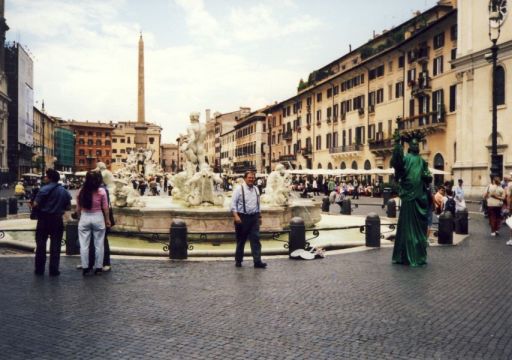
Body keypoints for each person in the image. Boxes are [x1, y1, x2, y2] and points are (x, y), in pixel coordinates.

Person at [391, 130, 432, 267]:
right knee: (408, 227)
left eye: (417, 144)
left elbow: (427, 174)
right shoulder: (406, 158)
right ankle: (407, 255)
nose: (416, 146)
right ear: (409, 145)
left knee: (419, 227)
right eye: (414, 144)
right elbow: (397, 163)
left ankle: (418, 254)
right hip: (409, 197)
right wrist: (397, 144)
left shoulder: (422, 161)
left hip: (419, 198)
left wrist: (427, 176)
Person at [32, 169, 72, 276]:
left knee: (40, 245)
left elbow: (35, 204)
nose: (45, 178)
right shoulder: (64, 191)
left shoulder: (43, 189)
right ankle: (54, 270)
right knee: (56, 245)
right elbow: (68, 206)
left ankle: (39, 269)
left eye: (46, 176)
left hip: (43, 219)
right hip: (57, 220)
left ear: (49, 178)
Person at [77, 171, 111, 275]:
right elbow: (105, 208)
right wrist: (107, 220)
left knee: (84, 245)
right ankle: (98, 268)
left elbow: (78, 208)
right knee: (99, 244)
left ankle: (86, 267)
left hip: (85, 217)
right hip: (98, 217)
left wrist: (79, 218)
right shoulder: (101, 191)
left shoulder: (81, 191)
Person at [231, 170, 267, 269]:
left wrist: (259, 216)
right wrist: (236, 216)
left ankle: (257, 261)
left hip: (254, 217)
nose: (251, 179)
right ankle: (238, 260)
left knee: (256, 239)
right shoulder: (239, 189)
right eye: (249, 177)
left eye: (253, 178)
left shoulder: (256, 189)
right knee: (241, 240)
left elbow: (258, 204)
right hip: (242, 217)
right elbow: (233, 205)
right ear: (245, 178)